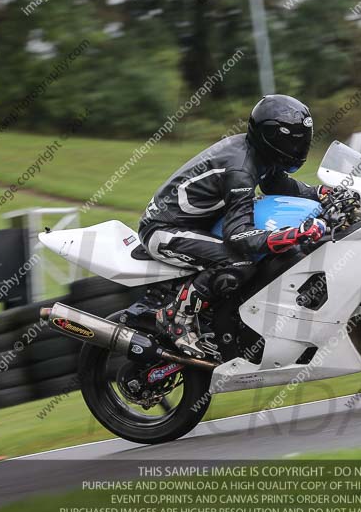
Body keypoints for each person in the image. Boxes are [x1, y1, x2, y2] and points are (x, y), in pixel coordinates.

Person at [138, 94, 330, 358]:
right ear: (272, 137)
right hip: (164, 229)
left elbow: (276, 183)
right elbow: (239, 235)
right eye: (294, 141)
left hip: (199, 223)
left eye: (303, 140)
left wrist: (321, 193)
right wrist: (291, 234)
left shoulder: (260, 154)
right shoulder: (240, 169)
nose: (300, 148)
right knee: (237, 262)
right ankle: (175, 317)